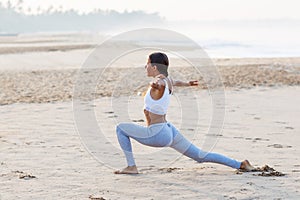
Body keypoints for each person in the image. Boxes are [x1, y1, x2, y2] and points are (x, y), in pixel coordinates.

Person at [114, 52, 254, 174]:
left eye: (147, 64)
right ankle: (240, 164)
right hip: (168, 130)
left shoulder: (160, 82)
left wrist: (156, 85)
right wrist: (187, 83)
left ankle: (131, 166)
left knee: (120, 128)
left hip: (157, 133)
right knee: (199, 156)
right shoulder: (167, 80)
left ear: (154, 67)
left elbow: (160, 85)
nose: (145, 67)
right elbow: (175, 81)